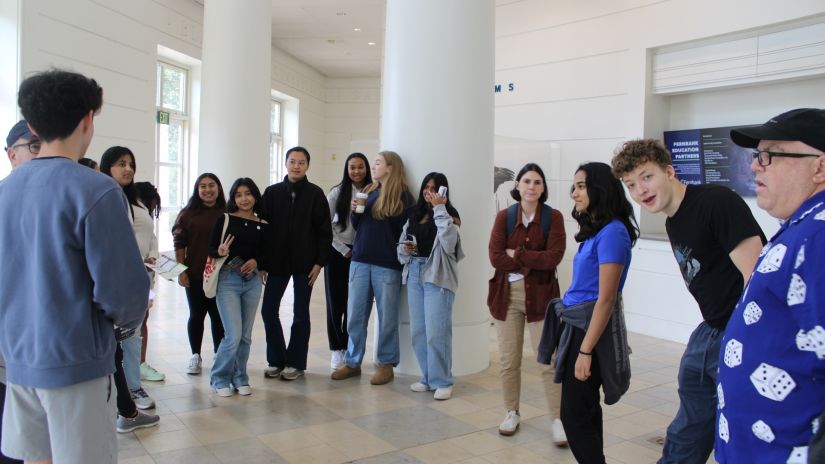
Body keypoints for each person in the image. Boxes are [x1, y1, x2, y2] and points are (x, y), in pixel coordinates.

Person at [0, 69, 149, 463]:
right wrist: (125, 324)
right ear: (88, 120)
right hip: (76, 362)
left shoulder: (5, 191)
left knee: (36, 458)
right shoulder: (96, 190)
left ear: (32, 124)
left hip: (18, 359)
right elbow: (123, 292)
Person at [612, 139, 765, 463]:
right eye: (630, 184)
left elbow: (757, 279)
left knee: (738, 430)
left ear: (669, 171)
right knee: (688, 427)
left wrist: (744, 340)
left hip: (738, 332)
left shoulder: (715, 202)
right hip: (709, 331)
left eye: (646, 176)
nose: (640, 189)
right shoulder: (672, 219)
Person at [714, 108, 825, 463]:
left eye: (770, 155)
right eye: (756, 156)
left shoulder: (820, 234)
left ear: (819, 167)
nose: (755, 166)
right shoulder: (804, 225)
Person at [555, 162, 637, 463]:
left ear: (599, 188)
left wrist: (586, 350)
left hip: (590, 329)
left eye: (580, 185)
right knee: (585, 408)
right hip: (578, 324)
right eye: (573, 186)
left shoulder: (613, 233)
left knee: (573, 414)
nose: (574, 193)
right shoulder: (597, 231)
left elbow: (606, 299)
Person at [487, 162, 567, 440]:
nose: (532, 186)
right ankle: (512, 412)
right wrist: (533, 258)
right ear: (517, 186)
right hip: (506, 298)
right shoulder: (504, 217)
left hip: (542, 299)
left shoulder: (553, 217)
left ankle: (558, 418)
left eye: (537, 182)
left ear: (543, 188)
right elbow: (495, 257)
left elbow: (554, 258)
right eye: (527, 181)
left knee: (550, 361)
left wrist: (518, 254)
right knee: (509, 361)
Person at [331, 151, 414, 385]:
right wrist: (355, 210)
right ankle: (352, 362)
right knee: (355, 316)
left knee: (387, 317)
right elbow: (358, 225)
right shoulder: (368, 192)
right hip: (359, 261)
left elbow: (405, 233)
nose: (373, 166)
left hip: (387, 265)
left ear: (390, 168)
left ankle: (386, 364)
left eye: (377, 163)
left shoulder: (404, 198)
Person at [259, 146, 332, 380]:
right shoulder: (271, 193)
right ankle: (276, 359)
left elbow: (324, 232)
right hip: (276, 262)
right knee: (268, 310)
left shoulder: (315, 194)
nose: (296, 166)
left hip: (305, 264)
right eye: (292, 161)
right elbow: (262, 229)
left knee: (300, 313)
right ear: (285, 163)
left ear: (307, 165)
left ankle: (296, 363)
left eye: (301, 162)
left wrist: (319, 263)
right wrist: (262, 262)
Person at [100, 146, 159, 411]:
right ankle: (117, 393)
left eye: (131, 164)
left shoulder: (135, 199)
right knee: (114, 341)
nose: (128, 169)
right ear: (107, 167)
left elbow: (150, 235)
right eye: (120, 163)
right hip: (117, 281)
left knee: (133, 337)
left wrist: (153, 257)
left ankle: (133, 387)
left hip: (140, 278)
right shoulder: (103, 198)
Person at [398, 172, 463, 401]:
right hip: (415, 271)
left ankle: (443, 380)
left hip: (437, 274)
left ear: (443, 192)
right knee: (419, 331)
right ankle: (427, 377)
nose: (429, 191)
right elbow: (400, 245)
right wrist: (404, 248)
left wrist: (439, 208)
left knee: (438, 332)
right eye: (427, 187)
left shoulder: (449, 217)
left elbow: (448, 243)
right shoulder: (414, 215)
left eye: (434, 188)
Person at [0, 120, 39, 464]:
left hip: (47, 351)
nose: (44, 155)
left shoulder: (64, 203)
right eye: (34, 147)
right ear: (12, 155)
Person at [209, 178, 268, 396]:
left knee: (245, 335)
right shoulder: (224, 219)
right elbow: (211, 248)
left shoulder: (262, 223)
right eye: (239, 195)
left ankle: (240, 377)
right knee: (232, 334)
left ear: (255, 196)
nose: (244, 199)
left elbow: (267, 252)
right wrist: (221, 251)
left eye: (248, 194)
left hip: (252, 282)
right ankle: (219, 378)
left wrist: (258, 262)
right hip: (228, 280)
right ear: (233, 198)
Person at [173, 173, 227, 375]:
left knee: (218, 317)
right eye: (202, 186)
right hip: (195, 273)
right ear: (197, 190)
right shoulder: (187, 214)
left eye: (211, 185)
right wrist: (181, 271)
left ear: (219, 188)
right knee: (196, 315)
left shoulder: (227, 212)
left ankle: (218, 355)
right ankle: (195, 355)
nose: (207, 189)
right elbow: (180, 244)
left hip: (221, 275)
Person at [325, 153, 372, 371]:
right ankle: (337, 349)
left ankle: (350, 347)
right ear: (347, 169)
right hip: (338, 253)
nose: (356, 171)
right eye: (352, 167)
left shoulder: (373, 190)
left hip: (362, 253)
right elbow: (325, 227)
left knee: (354, 305)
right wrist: (343, 249)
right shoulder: (337, 192)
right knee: (336, 303)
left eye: (360, 167)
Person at [135, 181, 165, 381]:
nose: (155, 208)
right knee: (134, 322)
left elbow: (152, 239)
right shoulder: (133, 210)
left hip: (147, 274)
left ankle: (140, 363)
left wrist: (152, 256)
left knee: (144, 317)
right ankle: (133, 365)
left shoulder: (144, 214)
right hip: (136, 274)